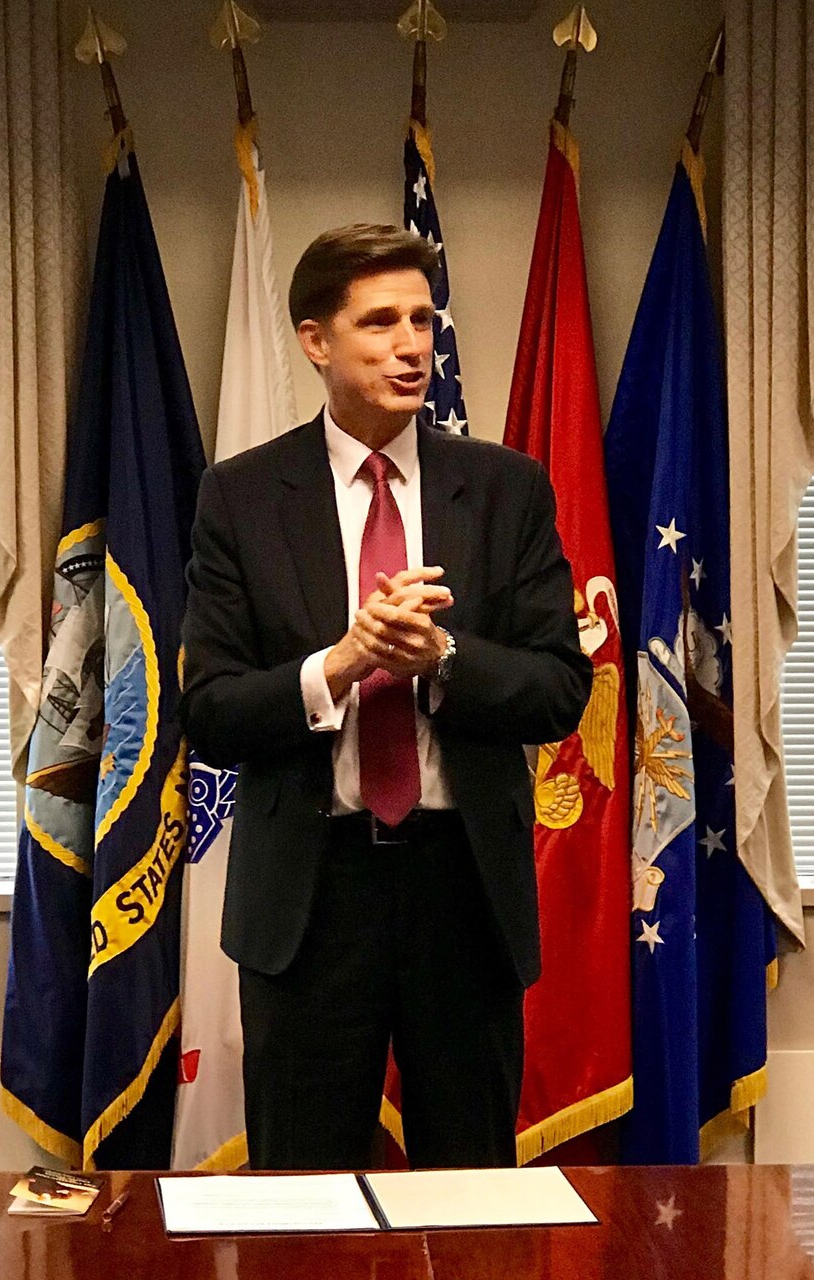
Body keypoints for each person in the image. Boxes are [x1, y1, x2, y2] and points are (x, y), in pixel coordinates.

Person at [180, 223, 592, 1172]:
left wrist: (441, 657)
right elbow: (209, 711)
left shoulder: (505, 489)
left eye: (421, 319)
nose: (411, 345)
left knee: (471, 1197)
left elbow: (559, 690)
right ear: (315, 340)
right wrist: (339, 663)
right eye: (380, 323)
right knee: (302, 1198)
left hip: (463, 888)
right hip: (309, 900)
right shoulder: (240, 497)